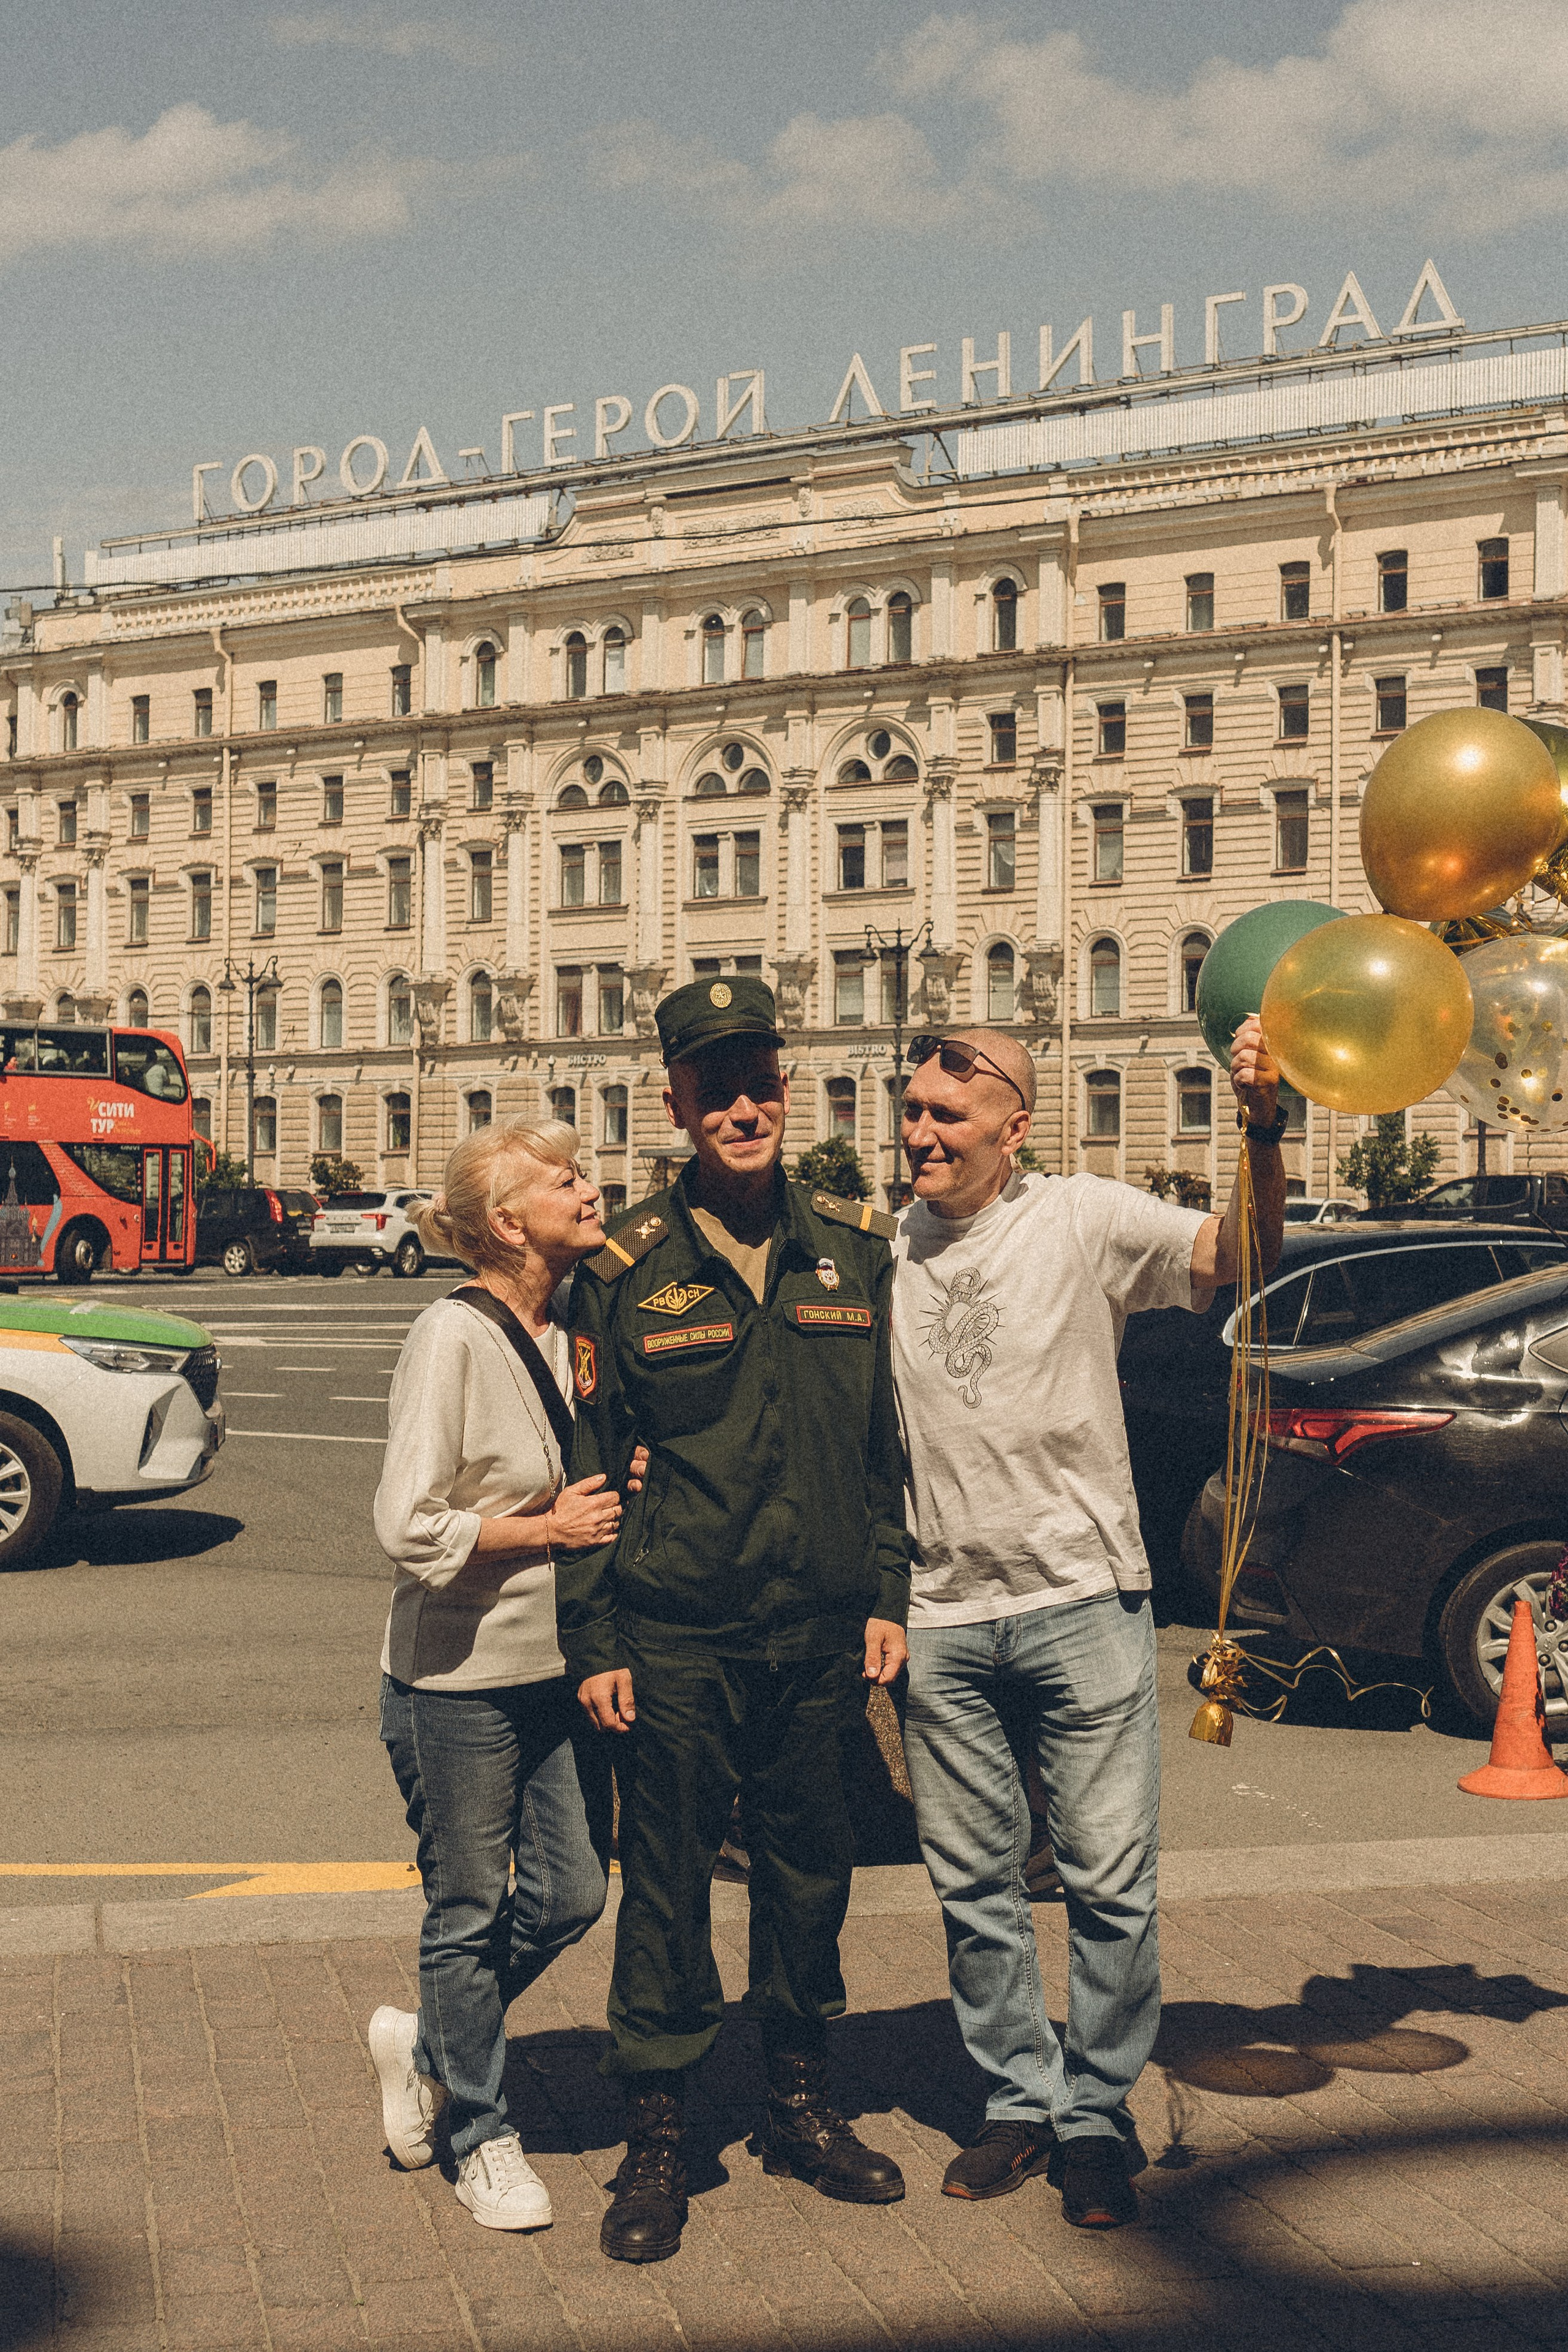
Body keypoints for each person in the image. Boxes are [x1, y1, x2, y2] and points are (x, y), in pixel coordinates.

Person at [892, 1016, 1284, 2230]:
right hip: (943, 1615)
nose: (917, 1136)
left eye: (944, 1117)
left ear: (1015, 1127)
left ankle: (1093, 2115)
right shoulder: (883, 1245)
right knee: (972, 1887)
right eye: (908, 1113)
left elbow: (1243, 1254)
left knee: (1108, 1882)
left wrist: (1260, 1124)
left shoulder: (1079, 1215)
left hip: (1080, 1598)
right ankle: (1018, 2099)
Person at [560, 975, 912, 2265]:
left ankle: (797, 2105)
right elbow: (592, 1469)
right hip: (676, 1631)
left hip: (818, 1628)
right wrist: (593, 1640)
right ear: (675, 1102)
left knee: (809, 1874)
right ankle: (658, 2135)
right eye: (715, 1084)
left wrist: (888, 1590)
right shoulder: (626, 1267)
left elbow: (884, 1448)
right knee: (662, 1887)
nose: (743, 1105)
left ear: (789, 1085)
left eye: (760, 1079)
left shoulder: (851, 1247)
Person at [368, 1117, 627, 2233]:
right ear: (509, 1222)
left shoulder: (569, 1325)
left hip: (553, 1668)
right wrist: (546, 1529)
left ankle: (426, 2041)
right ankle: (478, 2132)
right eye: (565, 1180)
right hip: (455, 1681)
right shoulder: (451, 1334)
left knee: (572, 1892)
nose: (591, 1185)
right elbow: (407, 1524)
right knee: (468, 1909)